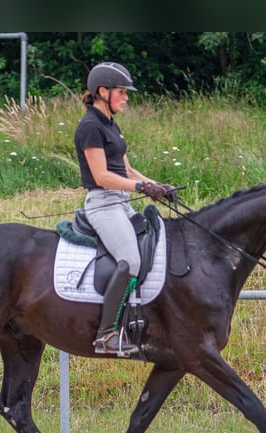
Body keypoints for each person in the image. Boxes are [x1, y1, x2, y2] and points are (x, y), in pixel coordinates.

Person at [74, 61, 175, 357]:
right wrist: (142, 190)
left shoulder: (110, 124)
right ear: (102, 92)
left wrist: (156, 185)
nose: (126, 97)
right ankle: (105, 335)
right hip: (103, 204)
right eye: (121, 92)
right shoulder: (90, 127)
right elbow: (102, 176)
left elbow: (126, 169)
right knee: (130, 260)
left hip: (120, 202)